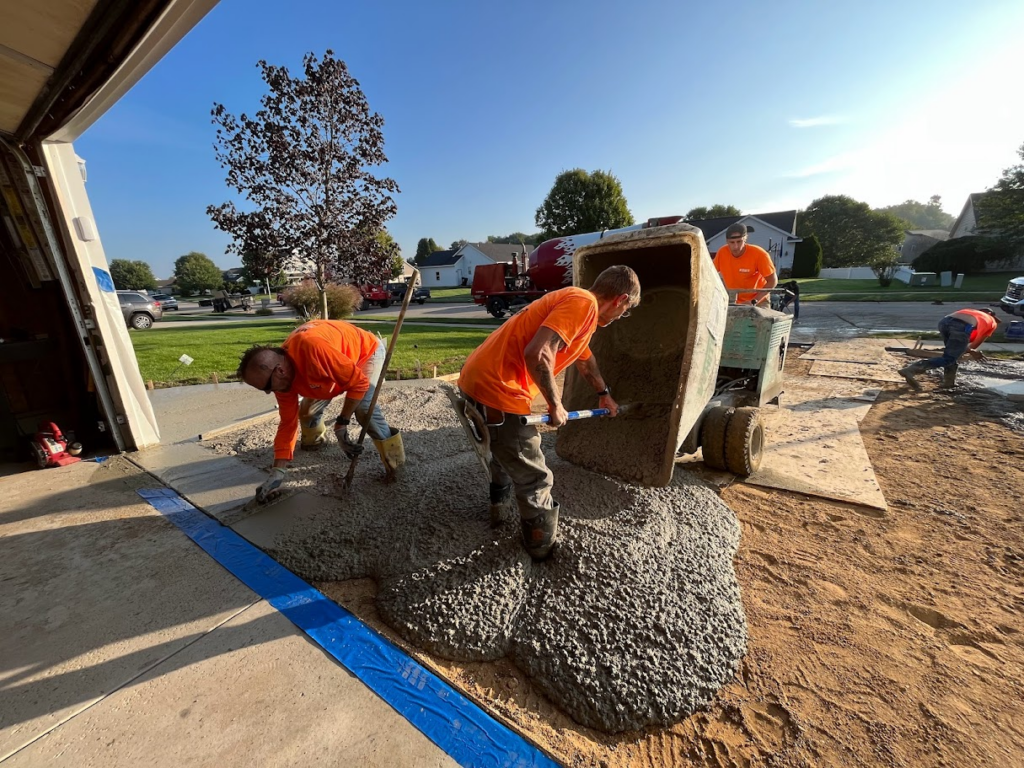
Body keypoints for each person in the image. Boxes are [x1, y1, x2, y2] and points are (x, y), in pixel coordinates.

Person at [458, 265, 641, 561]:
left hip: (477, 380)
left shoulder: (578, 309)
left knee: (504, 452)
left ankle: (498, 508)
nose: (623, 316)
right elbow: (538, 353)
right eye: (627, 310)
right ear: (620, 300)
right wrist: (555, 405)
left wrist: (604, 394)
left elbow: (585, 360)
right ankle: (541, 550)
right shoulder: (583, 304)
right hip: (499, 389)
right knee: (536, 478)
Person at [237, 320, 404, 502]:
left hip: (365, 353)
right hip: (327, 370)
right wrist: (278, 471)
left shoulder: (313, 349)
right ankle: (316, 441)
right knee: (307, 412)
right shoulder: (283, 382)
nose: (269, 392)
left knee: (364, 409)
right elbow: (287, 423)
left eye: (267, 387)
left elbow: (358, 383)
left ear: (280, 371)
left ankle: (395, 462)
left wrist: (342, 424)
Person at [898, 308, 1000, 390]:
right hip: (961, 327)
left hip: (944, 322)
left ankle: (948, 383)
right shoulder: (991, 322)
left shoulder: (970, 311)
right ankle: (912, 369)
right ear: (992, 315)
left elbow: (963, 348)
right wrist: (973, 352)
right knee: (949, 358)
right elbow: (974, 345)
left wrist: (964, 350)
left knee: (952, 355)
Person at [713, 222, 778, 305]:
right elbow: (710, 274)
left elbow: (773, 281)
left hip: (758, 300)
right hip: (733, 301)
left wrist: (754, 301)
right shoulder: (722, 253)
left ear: (745, 238)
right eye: (732, 242)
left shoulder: (759, 254)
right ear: (727, 241)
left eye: (739, 241)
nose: (736, 247)